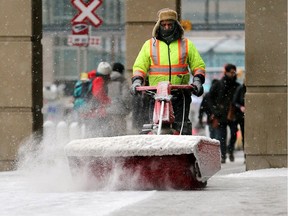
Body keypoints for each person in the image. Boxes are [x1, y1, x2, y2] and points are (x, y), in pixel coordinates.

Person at [130, 8, 206, 135]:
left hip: (180, 93)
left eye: (170, 24)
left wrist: (197, 80)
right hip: (155, 94)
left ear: (176, 26)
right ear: (158, 26)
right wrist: (137, 81)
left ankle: (183, 149)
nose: (167, 27)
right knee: (153, 126)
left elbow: (198, 65)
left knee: (181, 126)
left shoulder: (186, 45)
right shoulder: (149, 45)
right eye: (164, 24)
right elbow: (140, 66)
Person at [209, 64, 240, 163]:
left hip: (233, 114)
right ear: (225, 72)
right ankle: (223, 155)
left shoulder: (236, 86)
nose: (233, 74)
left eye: (234, 72)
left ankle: (230, 150)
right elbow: (209, 98)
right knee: (222, 136)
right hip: (221, 114)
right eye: (231, 72)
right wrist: (215, 110)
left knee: (234, 134)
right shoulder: (218, 84)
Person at [83, 61, 112, 137]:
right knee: (97, 127)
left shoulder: (93, 77)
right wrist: (107, 101)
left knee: (92, 127)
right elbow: (98, 94)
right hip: (95, 108)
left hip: (90, 108)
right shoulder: (99, 80)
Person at [106, 63, 132, 136]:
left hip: (107, 110)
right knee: (120, 134)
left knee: (109, 133)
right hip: (119, 110)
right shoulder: (122, 80)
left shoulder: (106, 79)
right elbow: (126, 96)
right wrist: (129, 107)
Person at [232, 80, 246, 156]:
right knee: (244, 135)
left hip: (248, 116)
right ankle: (245, 154)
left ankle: (246, 153)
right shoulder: (240, 89)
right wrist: (240, 107)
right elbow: (234, 101)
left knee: (246, 136)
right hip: (241, 116)